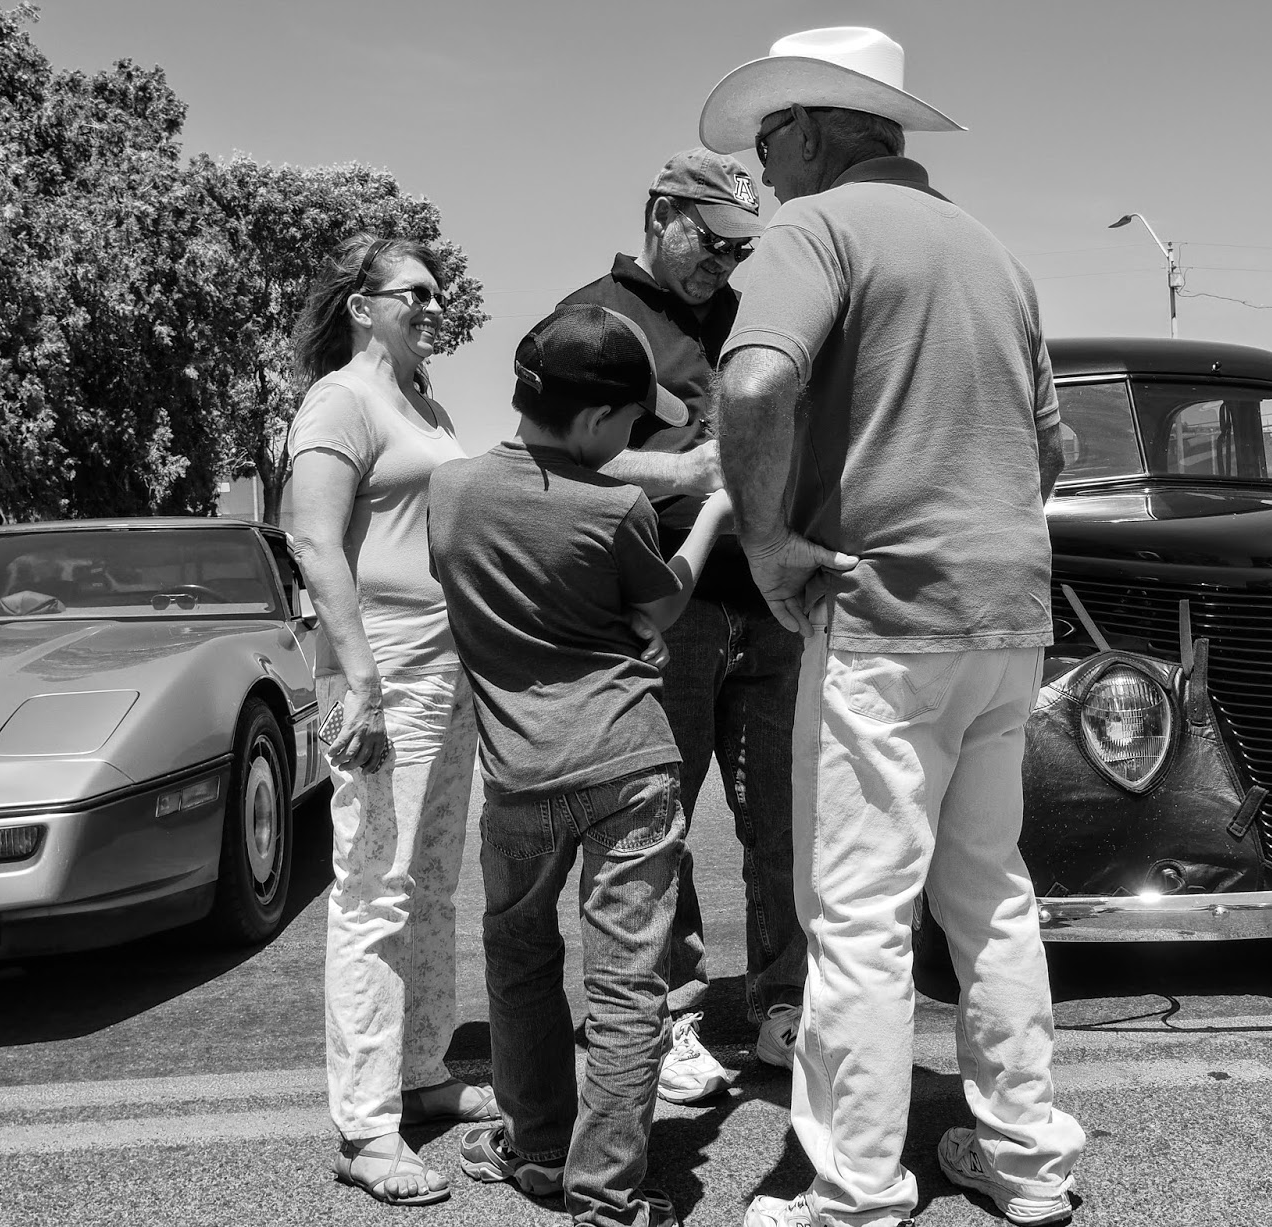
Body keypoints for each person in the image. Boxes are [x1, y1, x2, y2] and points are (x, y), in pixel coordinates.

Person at [699, 26, 1088, 1227]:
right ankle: (1025, 1159)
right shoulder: (992, 252)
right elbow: (1056, 445)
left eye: (768, 140)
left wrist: (767, 541)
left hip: (883, 610)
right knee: (990, 890)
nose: (761, 170)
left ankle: (858, 1186)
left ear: (814, 127)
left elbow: (753, 381)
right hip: (1007, 609)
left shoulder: (814, 231)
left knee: (859, 911)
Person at [430, 304, 732, 1227]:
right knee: (624, 983)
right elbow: (656, 611)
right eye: (631, 424)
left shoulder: (451, 490)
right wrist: (713, 509)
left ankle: (535, 1149)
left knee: (518, 959)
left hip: (518, 774)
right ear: (602, 422)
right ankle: (606, 1193)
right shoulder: (618, 508)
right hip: (626, 766)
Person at [559, 147, 807, 1105]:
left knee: (783, 817)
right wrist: (691, 475)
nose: (724, 265)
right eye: (710, 241)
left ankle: (784, 1005)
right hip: (667, 606)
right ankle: (670, 1015)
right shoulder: (591, 321)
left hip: (773, 602)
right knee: (654, 822)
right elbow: (554, 456)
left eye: (740, 250)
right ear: (659, 212)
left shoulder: (755, 321)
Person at [286, 233, 492, 1208]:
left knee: (433, 879)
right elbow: (312, 540)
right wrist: (358, 677)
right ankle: (367, 1128)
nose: (432, 302)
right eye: (413, 290)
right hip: (385, 660)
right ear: (364, 305)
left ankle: (422, 1072)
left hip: (448, 659)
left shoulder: (428, 403)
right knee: (374, 886)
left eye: (437, 289)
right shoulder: (342, 399)